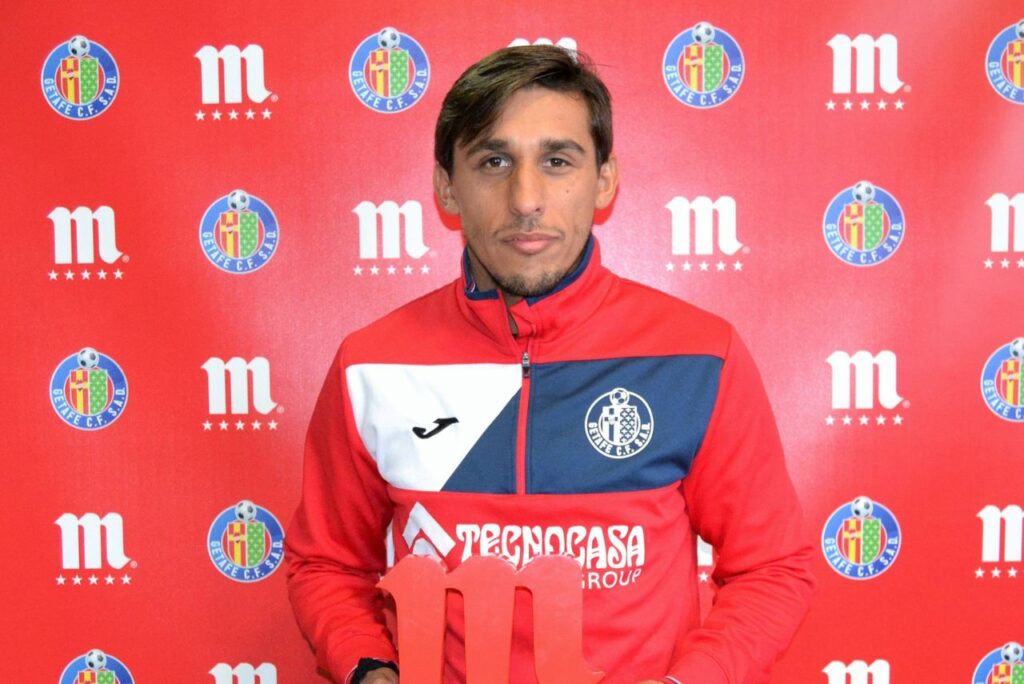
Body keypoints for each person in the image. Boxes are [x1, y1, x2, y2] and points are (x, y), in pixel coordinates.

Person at [286, 45, 814, 684]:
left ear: (604, 180)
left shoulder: (699, 355)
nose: (526, 198)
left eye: (557, 161)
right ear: (446, 186)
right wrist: (368, 669)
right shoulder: (372, 364)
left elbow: (772, 568)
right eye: (494, 161)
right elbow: (328, 566)